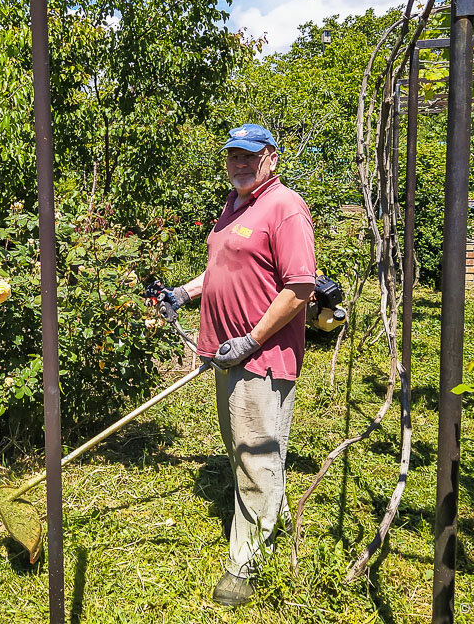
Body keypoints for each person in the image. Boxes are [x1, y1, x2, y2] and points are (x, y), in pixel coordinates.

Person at [158, 123, 316, 607]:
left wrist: (250, 339)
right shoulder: (234, 206)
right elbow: (224, 269)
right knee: (245, 452)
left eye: (250, 156)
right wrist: (183, 294)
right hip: (228, 353)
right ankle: (274, 517)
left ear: (271, 157)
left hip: (261, 358)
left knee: (255, 457)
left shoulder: (285, 207)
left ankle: (245, 563)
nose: (240, 164)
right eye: (233, 156)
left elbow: (299, 287)